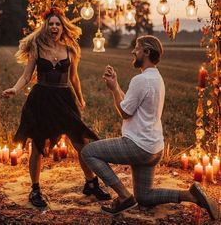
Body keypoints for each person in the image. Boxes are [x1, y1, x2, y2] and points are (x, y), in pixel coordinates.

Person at [81, 35, 219, 220]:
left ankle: (124, 196)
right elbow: (129, 105)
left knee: (88, 152)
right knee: (145, 197)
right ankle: (190, 195)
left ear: (146, 52)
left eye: (137, 48)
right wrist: (116, 85)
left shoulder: (141, 80)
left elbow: (124, 112)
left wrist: (113, 89)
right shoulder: (156, 78)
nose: (133, 51)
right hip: (154, 148)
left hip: (137, 146)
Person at [2, 7, 110, 208]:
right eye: (50, 24)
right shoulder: (37, 48)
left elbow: (74, 78)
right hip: (41, 98)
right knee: (38, 146)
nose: (54, 27)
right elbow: (26, 75)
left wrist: (80, 98)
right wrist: (15, 90)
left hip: (64, 99)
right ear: (46, 27)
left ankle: (91, 183)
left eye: (57, 24)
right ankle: (35, 189)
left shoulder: (71, 50)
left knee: (81, 143)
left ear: (62, 27)